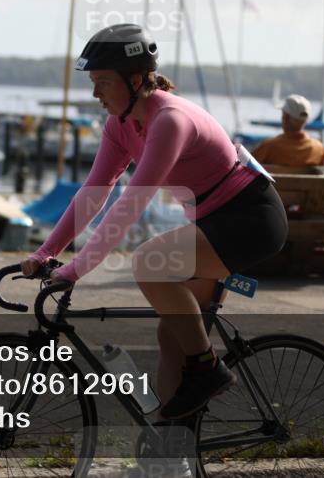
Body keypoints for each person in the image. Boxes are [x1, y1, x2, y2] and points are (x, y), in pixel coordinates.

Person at [21, 23, 288, 422]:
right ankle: (170, 443)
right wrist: (47, 253)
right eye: (93, 83)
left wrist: (76, 269)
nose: (96, 94)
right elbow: (94, 192)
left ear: (135, 80)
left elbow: (130, 205)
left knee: (149, 263)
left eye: (103, 83)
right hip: (215, 220)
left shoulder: (170, 122)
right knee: (172, 336)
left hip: (251, 218)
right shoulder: (120, 125)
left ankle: (209, 369)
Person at [250, 94, 324, 167]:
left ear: (285, 117)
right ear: (306, 120)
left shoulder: (269, 147)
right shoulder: (318, 149)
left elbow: (246, 168)